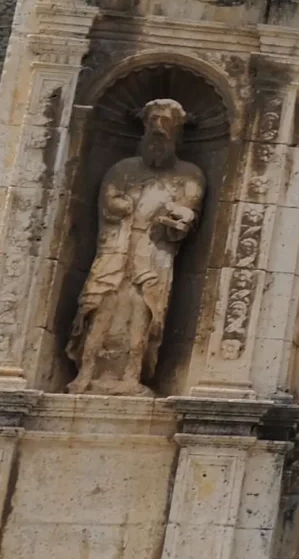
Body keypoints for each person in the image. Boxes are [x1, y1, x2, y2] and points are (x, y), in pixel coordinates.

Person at [68, 98, 206, 393]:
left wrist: (179, 217)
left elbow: (188, 210)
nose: (159, 129)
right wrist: (125, 204)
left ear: (177, 131)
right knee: (99, 306)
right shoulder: (123, 169)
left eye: (166, 123)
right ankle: (86, 372)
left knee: (144, 311)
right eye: (154, 122)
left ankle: (132, 375)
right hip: (117, 248)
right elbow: (109, 202)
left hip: (154, 252)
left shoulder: (189, 175)